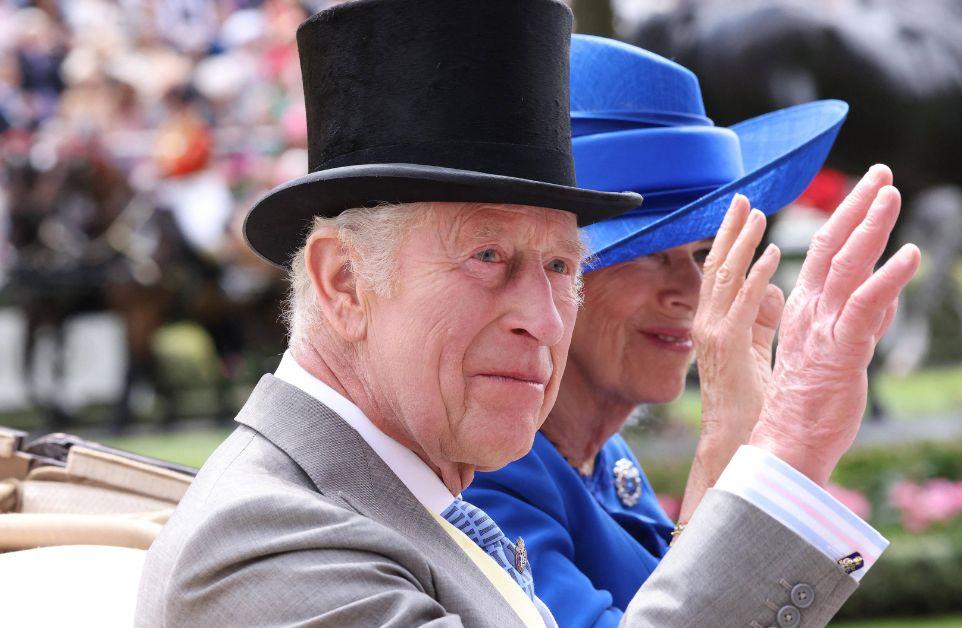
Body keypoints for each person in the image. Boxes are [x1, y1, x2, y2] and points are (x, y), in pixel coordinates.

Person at [136, 1, 921, 626]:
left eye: (562, 266)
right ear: (343, 282)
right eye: (488, 259)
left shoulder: (411, 481)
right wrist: (785, 452)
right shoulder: (270, 544)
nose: (545, 318)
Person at [464, 36, 877, 627]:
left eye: (705, 252)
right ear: (549, 275)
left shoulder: (599, 457)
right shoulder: (488, 471)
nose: (691, 289)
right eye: (649, 254)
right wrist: (736, 456)